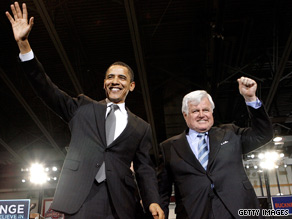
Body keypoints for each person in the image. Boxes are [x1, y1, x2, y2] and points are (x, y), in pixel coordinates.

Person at [6, 2, 164, 219]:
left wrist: (153, 201)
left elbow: (145, 169)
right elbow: (46, 89)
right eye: (110, 77)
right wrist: (24, 45)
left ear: (131, 86)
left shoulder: (141, 127)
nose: (115, 81)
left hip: (123, 205)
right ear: (104, 83)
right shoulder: (83, 108)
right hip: (81, 200)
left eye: (122, 77)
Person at [158, 76, 273, 219]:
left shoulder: (230, 133)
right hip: (195, 213)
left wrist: (250, 98)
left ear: (212, 112)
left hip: (239, 211)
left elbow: (263, 134)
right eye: (195, 111)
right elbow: (162, 192)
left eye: (206, 110)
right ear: (185, 115)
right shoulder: (168, 147)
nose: (202, 115)